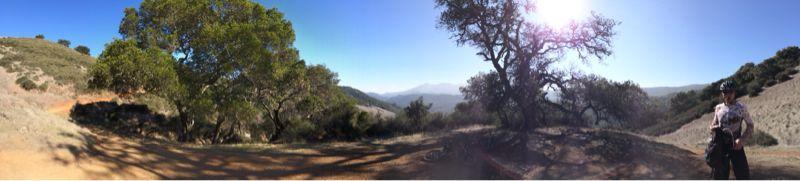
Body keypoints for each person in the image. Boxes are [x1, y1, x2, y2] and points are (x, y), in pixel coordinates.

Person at [709, 80, 754, 179]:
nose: (728, 95)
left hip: (736, 145)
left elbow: (750, 125)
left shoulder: (741, 107)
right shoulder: (718, 108)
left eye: (730, 92)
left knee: (743, 176)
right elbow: (713, 124)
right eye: (725, 92)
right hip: (721, 146)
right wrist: (712, 128)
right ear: (722, 93)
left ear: (734, 92)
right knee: (719, 176)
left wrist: (742, 140)